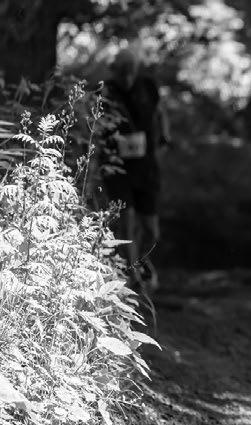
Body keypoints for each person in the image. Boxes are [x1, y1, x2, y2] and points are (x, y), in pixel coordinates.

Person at [100, 48, 170, 291]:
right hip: (116, 166)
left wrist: (164, 138)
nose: (126, 76)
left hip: (146, 166)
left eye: (130, 71)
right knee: (126, 219)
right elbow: (94, 124)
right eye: (122, 72)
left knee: (151, 230)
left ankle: (140, 262)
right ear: (115, 71)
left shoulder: (148, 86)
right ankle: (133, 277)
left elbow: (160, 112)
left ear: (136, 70)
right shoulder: (105, 91)